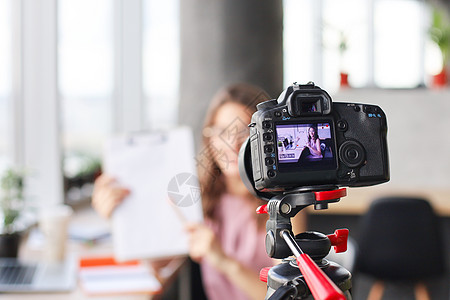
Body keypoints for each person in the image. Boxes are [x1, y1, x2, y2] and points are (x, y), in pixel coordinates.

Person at [92, 83, 307, 300]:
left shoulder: (285, 205)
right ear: (210, 138)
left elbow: (288, 296)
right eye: (223, 132)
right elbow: (159, 267)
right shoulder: (200, 197)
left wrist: (222, 260)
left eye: (246, 132)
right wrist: (121, 215)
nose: (232, 143)